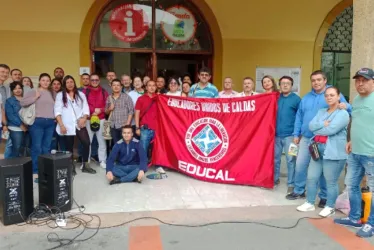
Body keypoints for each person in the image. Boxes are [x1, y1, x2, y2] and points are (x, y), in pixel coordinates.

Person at [287, 70, 351, 207]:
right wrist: (296, 134)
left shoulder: (331, 94)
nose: (316, 82)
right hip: (306, 138)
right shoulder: (306, 98)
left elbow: (346, 109)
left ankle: (323, 196)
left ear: (325, 80)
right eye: (313, 80)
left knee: (323, 171)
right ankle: (299, 190)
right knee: (300, 166)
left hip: (326, 141)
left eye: (319, 80)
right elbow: (299, 116)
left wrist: (347, 106)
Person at [297, 87, 349, 217]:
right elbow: (311, 126)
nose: (329, 97)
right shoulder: (321, 111)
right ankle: (309, 202)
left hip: (333, 151)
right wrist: (322, 124)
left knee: (330, 181)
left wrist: (320, 127)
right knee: (311, 177)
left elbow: (331, 130)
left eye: (332, 95)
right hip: (317, 149)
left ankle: (330, 206)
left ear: (338, 97)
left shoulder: (343, 113)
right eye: (326, 95)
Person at [334, 68, 374, 238]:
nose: (360, 83)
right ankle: (355, 217)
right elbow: (356, 122)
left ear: (373, 81)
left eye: (364, 80)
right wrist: (351, 140)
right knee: (351, 185)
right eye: (357, 80)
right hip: (356, 152)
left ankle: (371, 223)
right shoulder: (356, 100)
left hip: (371, 153)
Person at [54, 75, 96, 175]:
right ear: (64, 84)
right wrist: (61, 125)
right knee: (69, 147)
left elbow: (85, 108)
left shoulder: (81, 94)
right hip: (67, 124)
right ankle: (70, 167)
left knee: (86, 143)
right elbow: (57, 111)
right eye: (67, 82)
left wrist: (84, 118)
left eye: (71, 82)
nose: (70, 84)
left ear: (74, 83)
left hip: (79, 123)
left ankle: (85, 165)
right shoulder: (60, 95)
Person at [21, 73, 55, 182]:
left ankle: (45, 170)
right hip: (37, 122)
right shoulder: (33, 91)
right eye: (43, 80)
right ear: (39, 81)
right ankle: (35, 171)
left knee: (46, 147)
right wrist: (35, 97)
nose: (45, 82)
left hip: (50, 122)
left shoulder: (52, 93)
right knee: (37, 147)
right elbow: (23, 102)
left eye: (47, 80)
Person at [274, 76, 301, 193]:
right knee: (275, 159)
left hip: (291, 136)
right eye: (283, 83)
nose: (285, 85)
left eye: (288, 83)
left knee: (291, 159)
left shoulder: (297, 99)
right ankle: (275, 179)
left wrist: (297, 134)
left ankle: (291, 183)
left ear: (291, 86)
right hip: (276, 135)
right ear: (279, 85)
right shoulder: (275, 98)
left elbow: (300, 117)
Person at [135, 80, 165, 174]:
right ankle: (143, 165)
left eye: (153, 85)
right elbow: (137, 113)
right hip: (145, 128)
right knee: (143, 147)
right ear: (146, 87)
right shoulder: (141, 99)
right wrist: (137, 127)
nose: (151, 87)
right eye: (149, 85)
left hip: (158, 128)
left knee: (157, 148)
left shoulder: (160, 98)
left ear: (156, 87)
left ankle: (158, 165)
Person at [83, 73, 109, 169]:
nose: (94, 82)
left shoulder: (104, 91)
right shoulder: (85, 92)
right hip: (88, 119)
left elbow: (107, 104)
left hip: (101, 119)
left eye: (96, 80)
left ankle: (102, 160)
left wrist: (100, 110)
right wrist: (93, 110)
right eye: (92, 80)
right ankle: (86, 161)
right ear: (90, 81)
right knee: (87, 141)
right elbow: (83, 104)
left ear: (99, 81)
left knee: (101, 141)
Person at [105, 79, 134, 144]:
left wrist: (127, 124)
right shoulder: (109, 98)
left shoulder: (126, 97)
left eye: (118, 85)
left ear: (121, 87)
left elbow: (131, 111)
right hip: (113, 126)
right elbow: (106, 112)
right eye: (114, 85)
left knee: (125, 144)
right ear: (111, 87)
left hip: (123, 125)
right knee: (116, 144)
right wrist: (109, 109)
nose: (116, 87)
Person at [5, 82, 28, 157]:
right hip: (15, 128)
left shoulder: (27, 99)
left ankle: (24, 166)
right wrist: (21, 125)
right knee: (16, 148)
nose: (17, 90)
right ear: (12, 90)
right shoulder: (9, 101)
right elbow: (10, 115)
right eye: (15, 89)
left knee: (25, 148)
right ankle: (15, 166)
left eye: (19, 88)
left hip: (28, 127)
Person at [50, 78, 65, 152]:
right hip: (51, 121)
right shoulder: (48, 94)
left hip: (62, 121)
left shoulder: (64, 95)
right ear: (51, 85)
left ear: (61, 85)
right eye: (54, 84)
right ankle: (52, 159)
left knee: (63, 141)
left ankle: (63, 160)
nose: (56, 86)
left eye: (58, 84)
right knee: (53, 141)